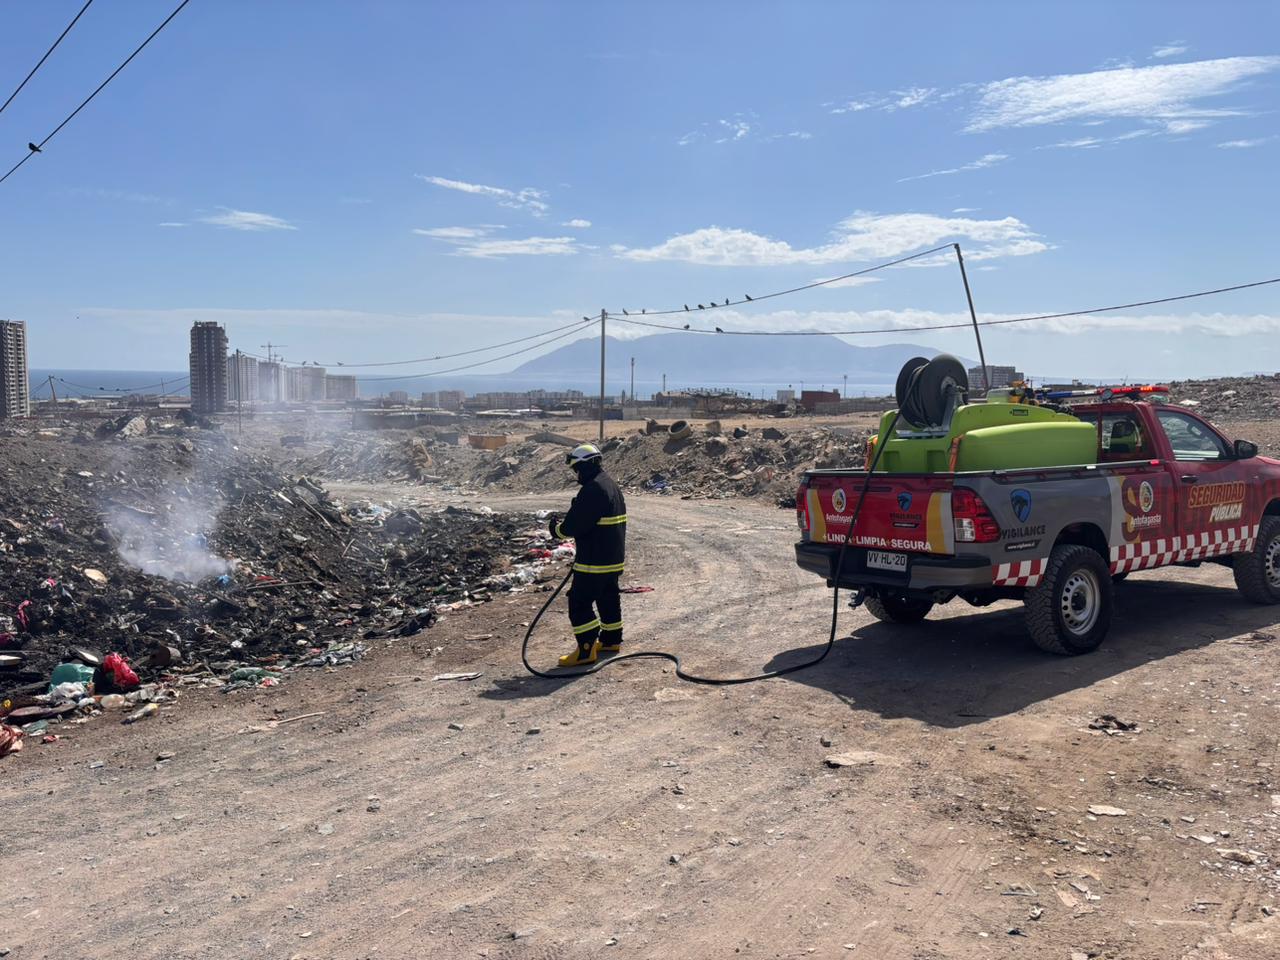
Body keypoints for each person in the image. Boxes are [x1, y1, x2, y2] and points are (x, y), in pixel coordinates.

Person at [547, 443, 626, 667]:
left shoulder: (593, 489)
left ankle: (585, 650)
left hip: (594, 561)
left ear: (586, 465)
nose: (577, 474)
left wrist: (556, 530)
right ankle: (611, 641)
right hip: (612, 558)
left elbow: (574, 526)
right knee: (608, 597)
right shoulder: (609, 484)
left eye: (577, 469)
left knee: (579, 601)